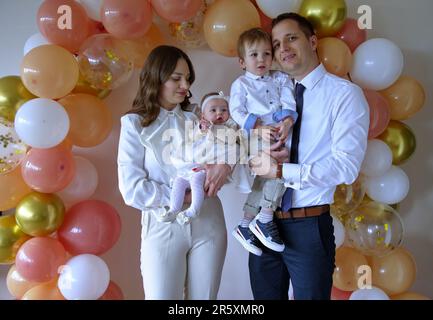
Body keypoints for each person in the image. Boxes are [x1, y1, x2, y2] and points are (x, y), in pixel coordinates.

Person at [248, 13, 369, 300]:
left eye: (291, 38)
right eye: (276, 44)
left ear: (312, 41)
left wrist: (281, 172)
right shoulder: (271, 96)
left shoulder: (344, 95)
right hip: (263, 223)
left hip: (309, 227)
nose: (283, 48)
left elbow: (346, 166)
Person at [117, 45, 231, 300]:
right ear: (156, 77)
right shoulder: (134, 124)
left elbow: (233, 143)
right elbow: (131, 188)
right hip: (162, 224)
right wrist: (182, 197)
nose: (185, 86)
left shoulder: (200, 118)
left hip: (209, 222)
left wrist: (227, 164)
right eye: (176, 78)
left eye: (188, 79)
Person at [229, 27, 298, 256]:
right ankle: (266, 217)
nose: (262, 59)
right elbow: (236, 111)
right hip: (257, 135)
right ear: (242, 61)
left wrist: (286, 119)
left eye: (267, 54)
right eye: (254, 54)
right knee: (280, 169)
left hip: (278, 132)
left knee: (264, 180)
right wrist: (257, 127)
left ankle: (246, 222)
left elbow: (288, 97)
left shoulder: (279, 78)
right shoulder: (241, 84)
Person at [167, 91, 249, 226]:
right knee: (178, 182)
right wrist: (201, 129)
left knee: (196, 183)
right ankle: (173, 209)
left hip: (206, 169)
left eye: (224, 110)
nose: (219, 113)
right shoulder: (200, 126)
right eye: (213, 110)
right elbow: (192, 138)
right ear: (203, 115)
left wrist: (213, 129)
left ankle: (193, 210)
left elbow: (232, 139)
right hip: (191, 166)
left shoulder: (229, 127)